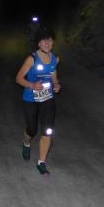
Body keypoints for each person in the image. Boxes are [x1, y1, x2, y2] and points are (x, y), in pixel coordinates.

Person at [16, 28, 61, 175]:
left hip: (48, 98)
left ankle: (41, 162)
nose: (47, 43)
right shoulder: (32, 59)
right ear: (39, 43)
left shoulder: (55, 59)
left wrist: (56, 84)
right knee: (32, 129)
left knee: (48, 130)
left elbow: (53, 75)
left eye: (50, 40)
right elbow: (18, 78)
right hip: (30, 98)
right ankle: (26, 142)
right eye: (44, 40)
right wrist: (32, 85)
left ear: (53, 42)